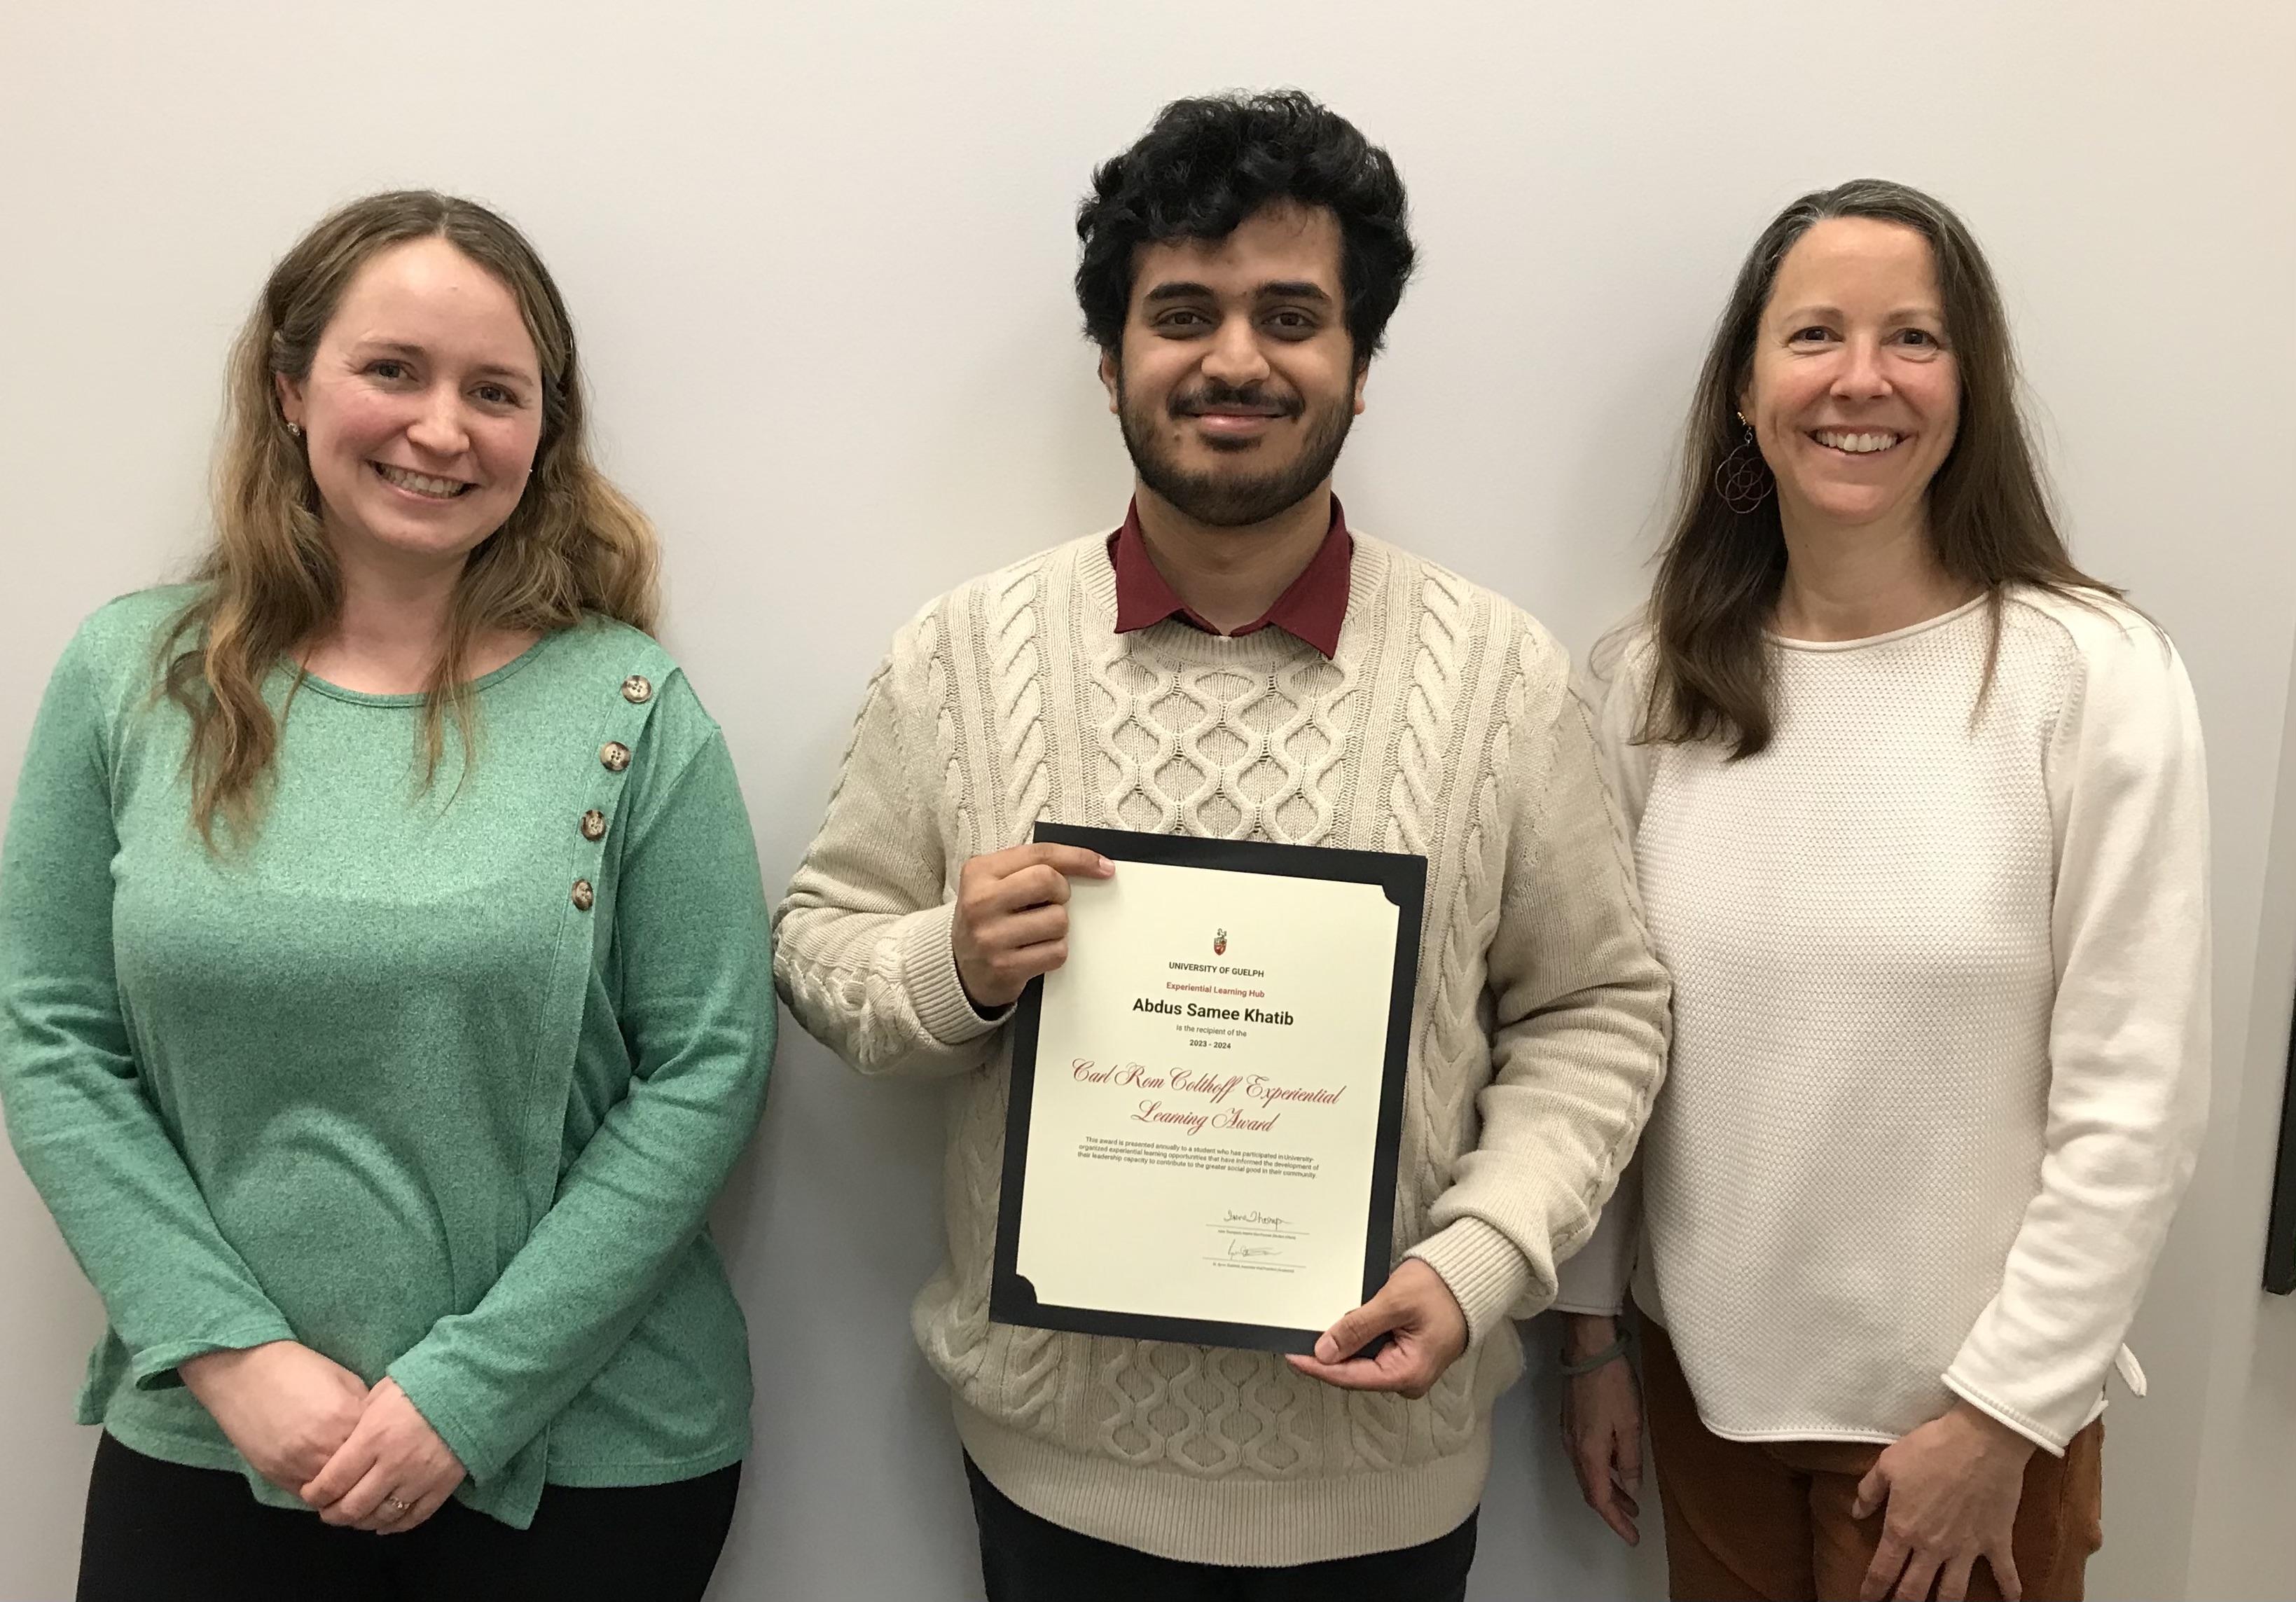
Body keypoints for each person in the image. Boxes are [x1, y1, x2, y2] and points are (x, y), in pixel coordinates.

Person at [774, 90, 1669, 1601]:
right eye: (1182, 311)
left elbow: (1598, 1007)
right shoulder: (960, 656)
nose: (1235, 358)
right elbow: (818, 942)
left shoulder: (1503, 680)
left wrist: (1480, 1262)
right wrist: (951, 964)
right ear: (1112, 356)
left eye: (1290, 315)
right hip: (1055, 1476)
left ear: (1360, 365)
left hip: (1382, 1488)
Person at [0, 191, 775, 1601]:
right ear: (290, 387)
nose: (441, 428)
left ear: (546, 432)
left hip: (585, 1463)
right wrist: (231, 1353)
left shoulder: (628, 705)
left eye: (496, 391)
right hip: (213, 1437)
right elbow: (49, 1034)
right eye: (392, 370)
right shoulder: (130, 676)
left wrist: (466, 1393)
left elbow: (709, 1064)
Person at [1551, 179, 2208, 1602]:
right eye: (1814, 337)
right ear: (1744, 388)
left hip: (1961, 1435)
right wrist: (1592, 1331)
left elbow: (2137, 1096)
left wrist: (2001, 1414)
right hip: (1705, 1394)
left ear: (1969, 383)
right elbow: (1605, 1028)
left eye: (1912, 338)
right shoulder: (1648, 683)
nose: (1861, 380)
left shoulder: (2089, 676)